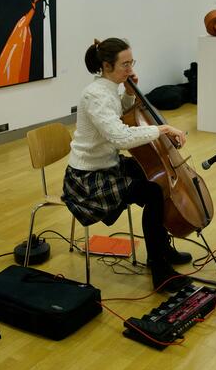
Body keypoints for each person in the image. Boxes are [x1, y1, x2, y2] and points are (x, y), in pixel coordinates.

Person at [62, 37, 192, 292]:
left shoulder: (109, 88)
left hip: (108, 164)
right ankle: (160, 270)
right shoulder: (95, 95)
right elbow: (119, 136)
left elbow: (118, 114)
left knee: (157, 179)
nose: (131, 69)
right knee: (153, 192)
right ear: (106, 66)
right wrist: (162, 129)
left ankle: (161, 249)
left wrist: (130, 95)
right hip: (88, 178)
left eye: (132, 62)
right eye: (125, 64)